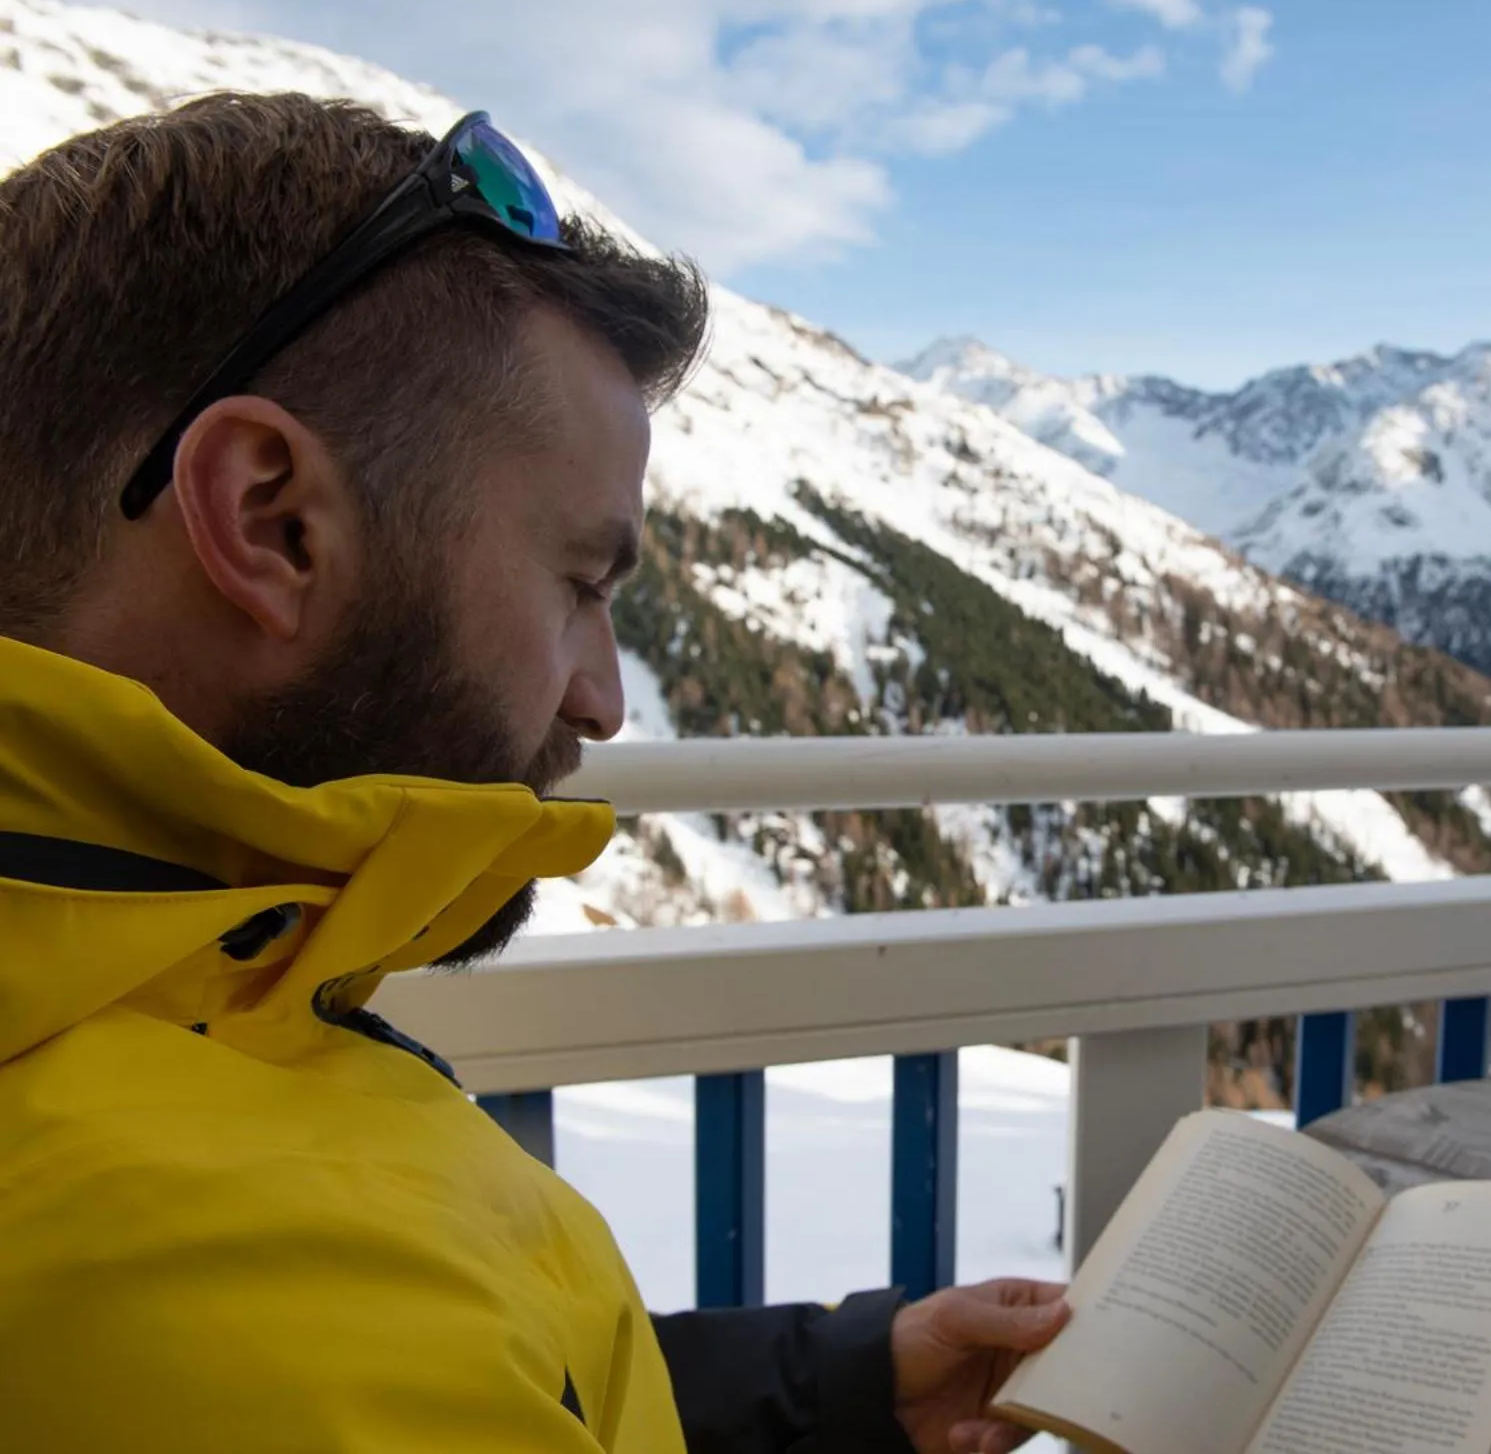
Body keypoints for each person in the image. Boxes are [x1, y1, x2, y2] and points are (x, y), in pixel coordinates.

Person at [0, 92, 1067, 1453]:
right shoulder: (237, 1272)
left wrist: (833, 1389)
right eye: (578, 582)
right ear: (272, 522)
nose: (603, 699)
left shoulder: (183, 1004)